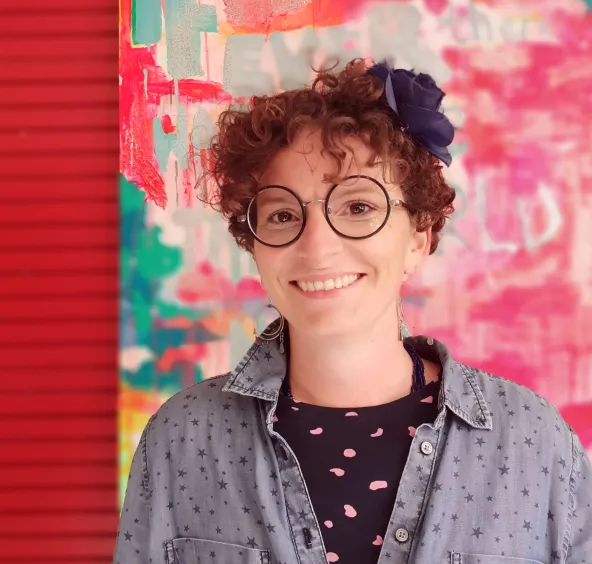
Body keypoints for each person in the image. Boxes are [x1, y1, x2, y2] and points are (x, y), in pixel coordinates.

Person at [114, 59, 591, 564]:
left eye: (358, 207)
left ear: (419, 236)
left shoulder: (532, 439)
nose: (317, 247)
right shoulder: (183, 437)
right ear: (254, 247)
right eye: (282, 215)